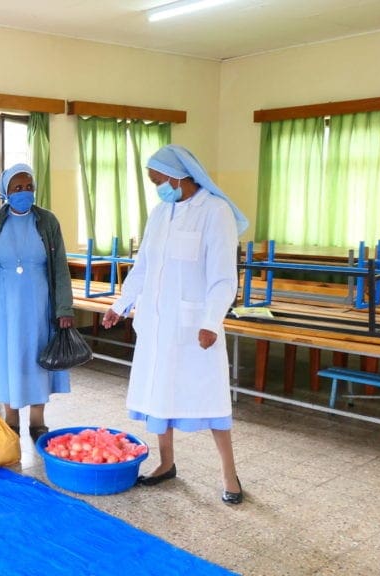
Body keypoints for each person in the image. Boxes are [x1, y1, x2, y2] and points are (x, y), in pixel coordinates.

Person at [102, 144, 248, 504]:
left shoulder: (215, 213)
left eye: (158, 180)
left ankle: (230, 475)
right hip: (156, 325)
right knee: (159, 394)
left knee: (210, 399)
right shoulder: (160, 213)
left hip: (195, 328)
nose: (157, 188)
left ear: (178, 176)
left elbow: (223, 278)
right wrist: (120, 306)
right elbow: (144, 267)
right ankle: (166, 463)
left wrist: (211, 321)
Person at [0, 163, 74, 442]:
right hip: (5, 307)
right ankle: (11, 419)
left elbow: (60, 267)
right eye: (17, 188)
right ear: (6, 192)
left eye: (28, 187)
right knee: (10, 359)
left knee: (38, 359)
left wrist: (64, 308)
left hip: (40, 305)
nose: (24, 192)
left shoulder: (47, 221)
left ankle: (37, 420)